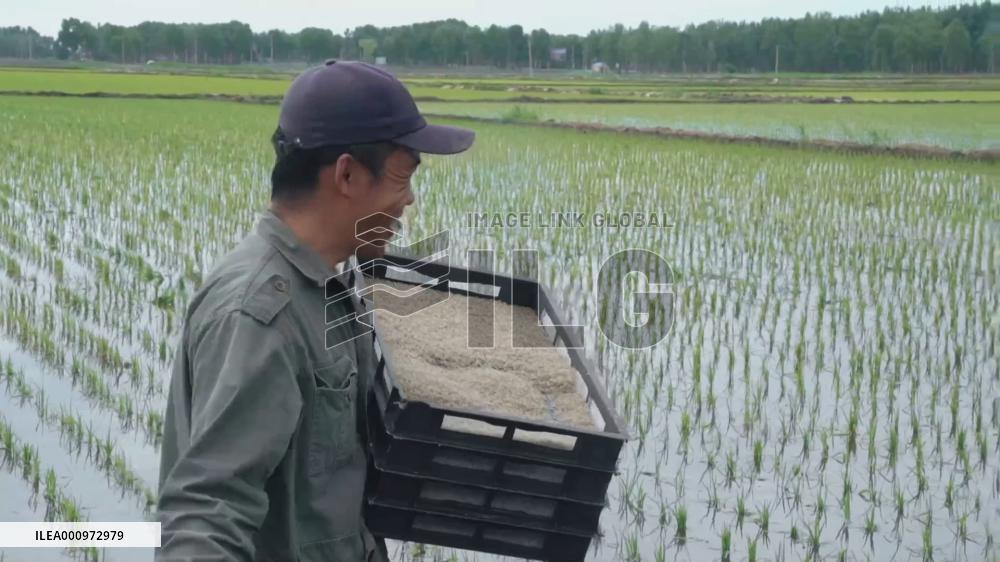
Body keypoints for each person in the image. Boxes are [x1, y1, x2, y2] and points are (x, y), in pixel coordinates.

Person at [155, 60, 475, 562]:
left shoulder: (329, 282)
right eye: (402, 177)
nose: (409, 199)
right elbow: (207, 511)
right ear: (346, 174)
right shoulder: (260, 315)